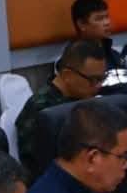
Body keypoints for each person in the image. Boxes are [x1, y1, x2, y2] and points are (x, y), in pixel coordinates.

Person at [15, 40, 109, 183]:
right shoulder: (41, 110)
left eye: (102, 79)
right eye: (92, 80)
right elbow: (40, 165)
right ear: (67, 75)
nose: (98, 86)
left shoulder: (83, 99)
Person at [70, 0, 127, 95]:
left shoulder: (116, 55)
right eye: (99, 19)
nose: (107, 22)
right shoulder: (73, 61)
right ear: (81, 24)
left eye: (107, 17)